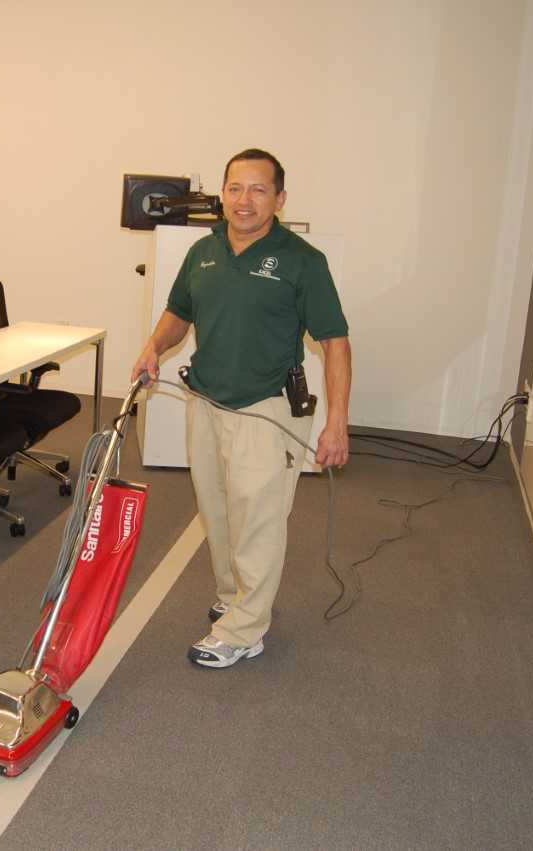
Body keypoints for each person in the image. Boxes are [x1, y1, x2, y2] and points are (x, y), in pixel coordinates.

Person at [131, 148, 351, 668]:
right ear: (222, 195)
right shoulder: (203, 251)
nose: (244, 200)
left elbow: (335, 343)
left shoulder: (303, 261)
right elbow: (178, 313)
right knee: (219, 510)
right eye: (235, 188)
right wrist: (152, 348)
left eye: (258, 189)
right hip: (206, 400)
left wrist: (336, 423)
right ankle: (234, 596)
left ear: (279, 198)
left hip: (266, 409)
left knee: (259, 520)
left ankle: (246, 628)